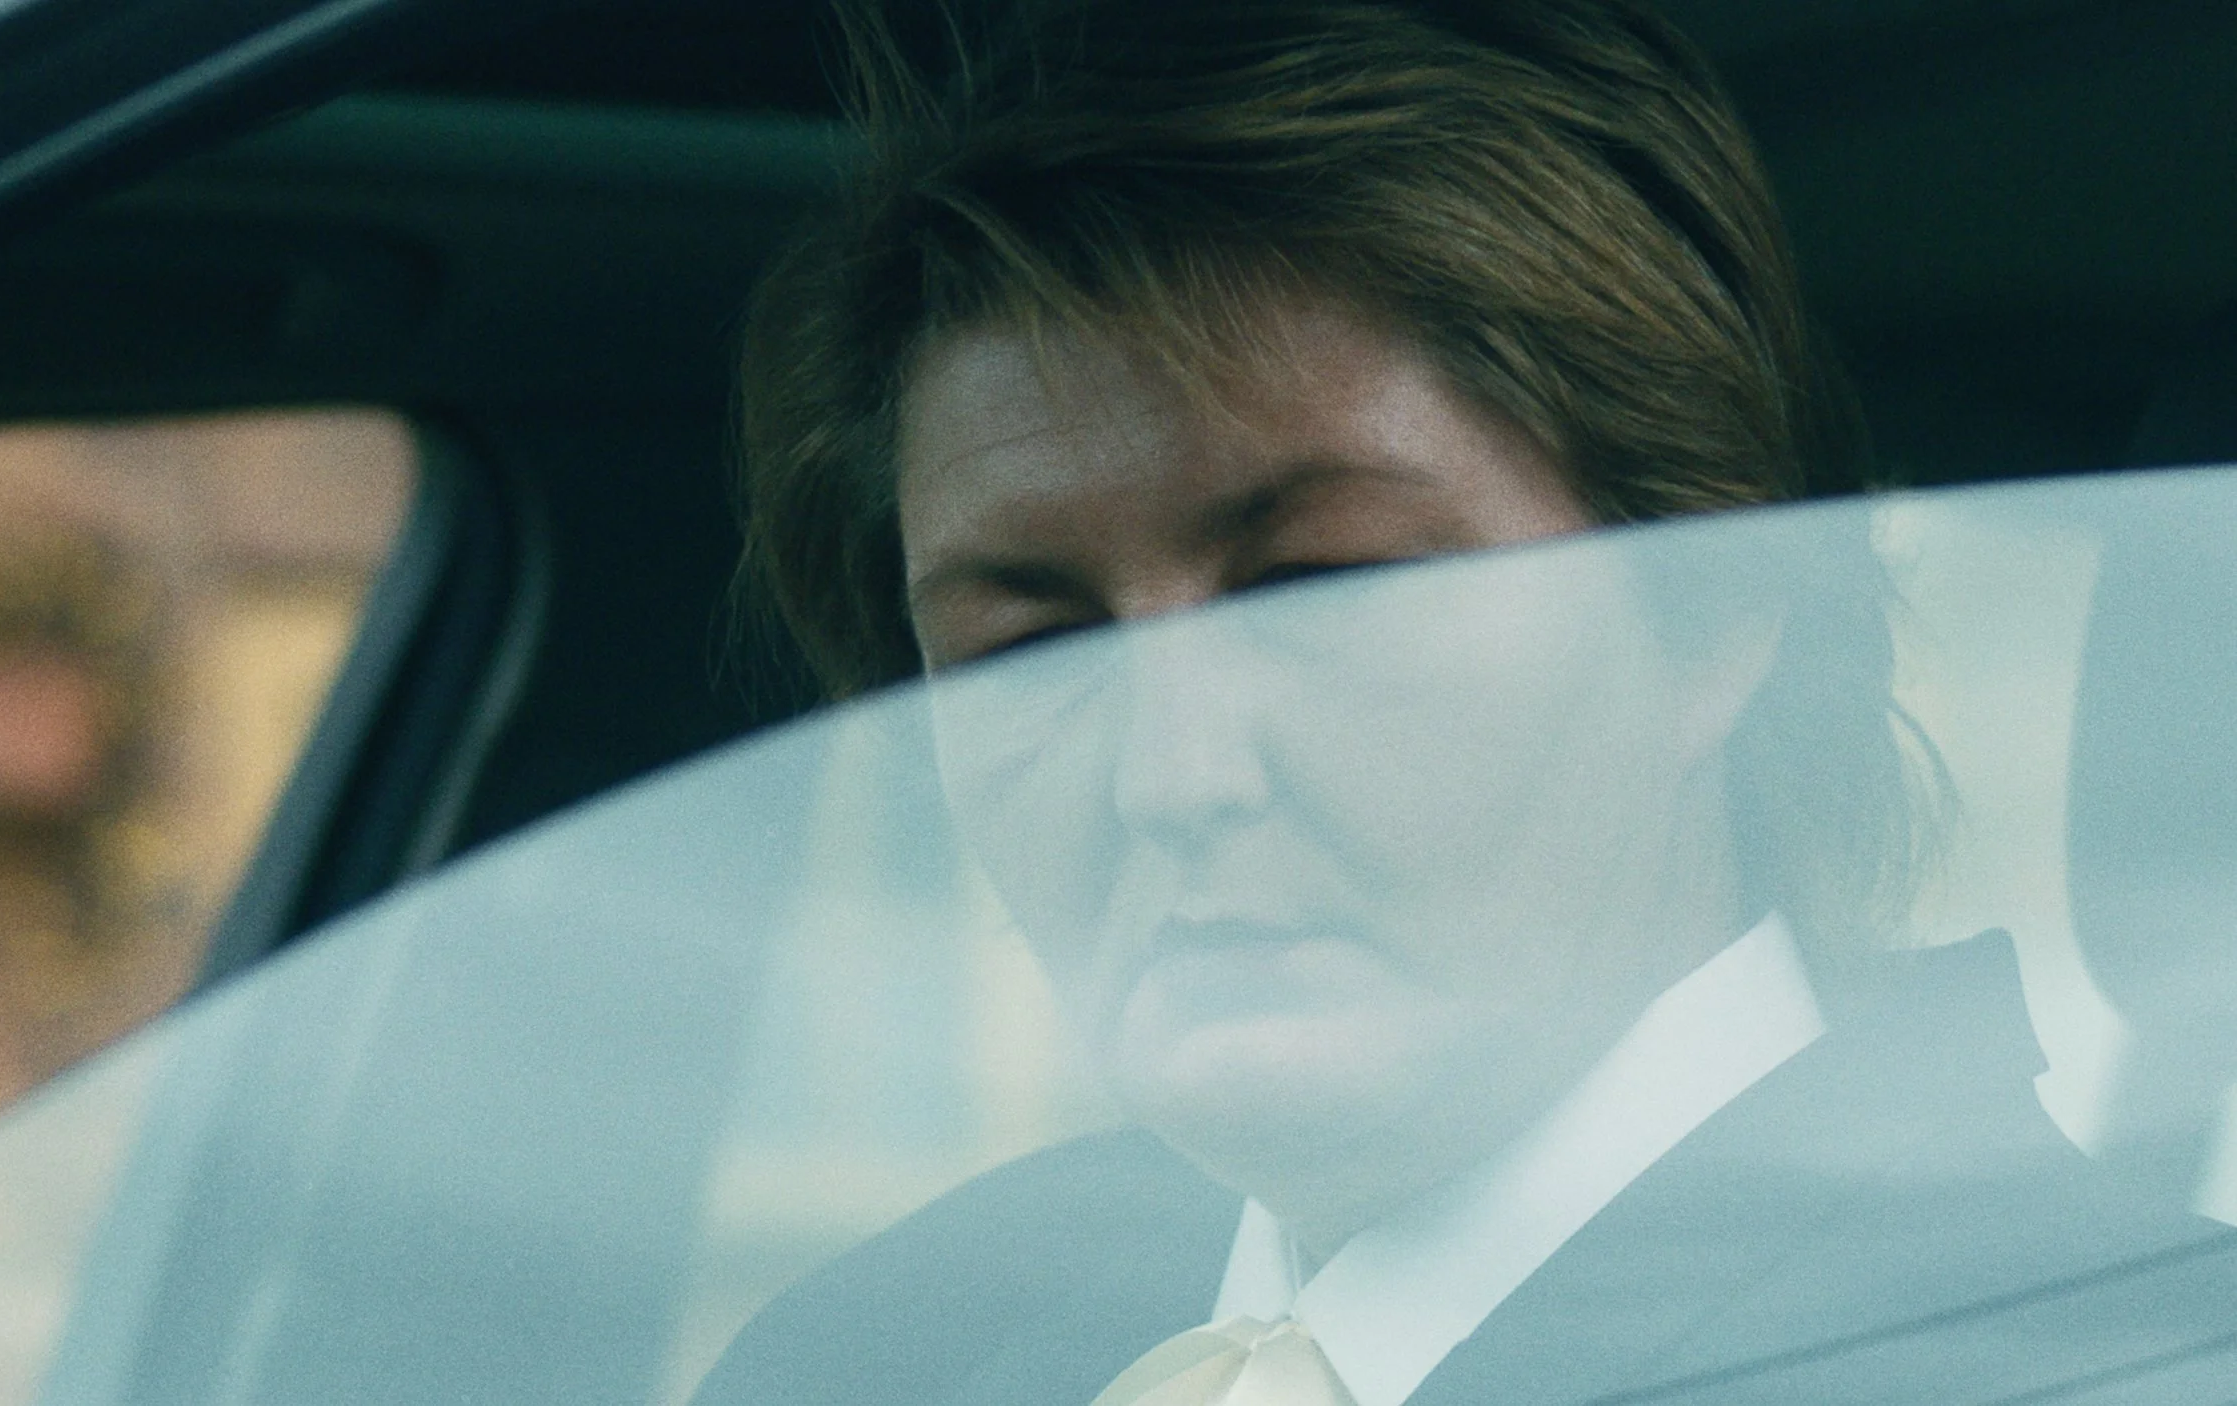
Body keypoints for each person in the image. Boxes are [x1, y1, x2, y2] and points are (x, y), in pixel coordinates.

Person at [692, 2, 2237, 1403]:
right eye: (1034, 652)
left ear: (1715, 610)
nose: (1170, 770)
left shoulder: (2122, 1366)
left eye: (1322, 591)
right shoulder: (868, 1353)